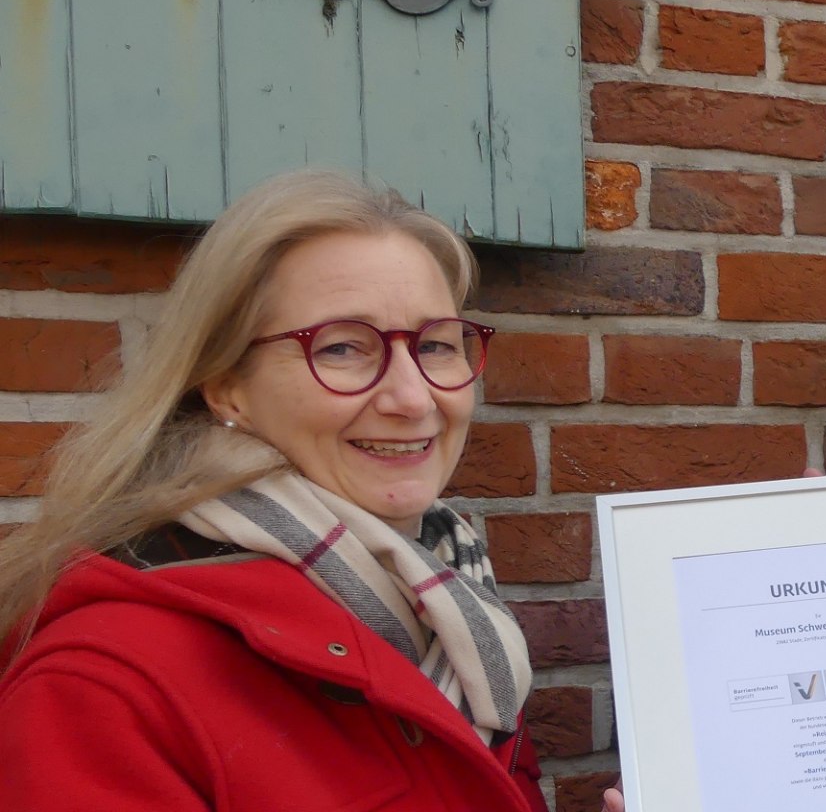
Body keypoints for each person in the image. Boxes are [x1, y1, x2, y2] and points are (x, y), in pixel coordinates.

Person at [0, 172, 547, 811]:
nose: (413, 397)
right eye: (343, 348)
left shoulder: (459, 618)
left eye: (436, 345)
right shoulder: (104, 687)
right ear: (226, 384)